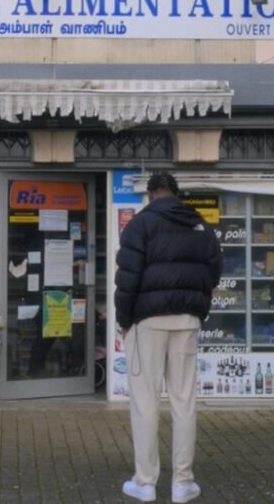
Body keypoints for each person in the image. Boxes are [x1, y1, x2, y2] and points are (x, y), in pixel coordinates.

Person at [114, 172, 222, 504]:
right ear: (177, 194)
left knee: (145, 400)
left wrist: (124, 321)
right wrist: (197, 309)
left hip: (147, 321)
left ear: (149, 195)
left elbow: (127, 279)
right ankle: (182, 483)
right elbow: (214, 272)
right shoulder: (200, 226)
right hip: (187, 319)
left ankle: (145, 483)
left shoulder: (140, 225)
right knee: (183, 400)